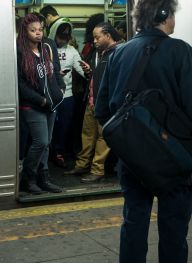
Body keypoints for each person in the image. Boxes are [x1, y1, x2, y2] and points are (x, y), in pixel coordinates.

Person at [94, 1, 192, 263]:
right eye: (172, 14)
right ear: (163, 15)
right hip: (174, 160)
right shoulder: (181, 52)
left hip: (133, 162)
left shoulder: (117, 55)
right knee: (173, 233)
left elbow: (102, 111)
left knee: (133, 225)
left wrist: (130, 145)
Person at [64, 22, 121, 183]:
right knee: (87, 134)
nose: (94, 41)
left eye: (97, 37)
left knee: (103, 138)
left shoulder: (117, 53)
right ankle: (82, 164)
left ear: (108, 36)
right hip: (92, 100)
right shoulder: (100, 53)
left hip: (106, 103)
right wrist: (91, 72)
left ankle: (97, 170)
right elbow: (100, 77)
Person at [17, 13, 63, 194]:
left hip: (51, 104)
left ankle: (43, 178)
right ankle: (28, 178)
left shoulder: (46, 48)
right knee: (40, 141)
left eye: (40, 30)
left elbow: (54, 72)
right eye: (33, 30)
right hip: (33, 105)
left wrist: (59, 90)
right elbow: (20, 84)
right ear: (24, 31)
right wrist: (40, 99)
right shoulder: (20, 52)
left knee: (47, 143)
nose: (38, 33)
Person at [51, 22, 86, 168]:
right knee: (50, 127)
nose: (63, 41)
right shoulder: (46, 49)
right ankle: (49, 152)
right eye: (60, 37)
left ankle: (59, 152)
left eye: (66, 37)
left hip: (67, 95)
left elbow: (82, 69)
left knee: (65, 126)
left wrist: (90, 73)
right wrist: (53, 74)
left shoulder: (72, 51)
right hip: (51, 95)